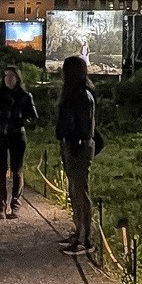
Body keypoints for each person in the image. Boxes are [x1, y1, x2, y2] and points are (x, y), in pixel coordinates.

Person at [55, 54, 96, 256]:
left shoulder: (81, 94)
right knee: (74, 190)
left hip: (78, 146)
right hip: (71, 144)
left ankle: (85, 239)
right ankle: (79, 231)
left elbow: (85, 126)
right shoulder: (75, 93)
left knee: (81, 191)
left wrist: (76, 143)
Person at [0, 66, 37, 220]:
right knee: (1, 171)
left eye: (11, 76)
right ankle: (1, 205)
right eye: (6, 76)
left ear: (17, 78)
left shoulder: (25, 96)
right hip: (0, 135)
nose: (8, 79)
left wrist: (21, 119)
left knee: (17, 170)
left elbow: (34, 117)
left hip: (17, 135)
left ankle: (15, 205)